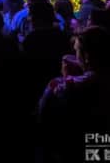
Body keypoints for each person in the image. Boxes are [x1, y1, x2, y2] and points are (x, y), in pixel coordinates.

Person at [39, 26, 110, 162]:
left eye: (76, 50)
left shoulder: (75, 86)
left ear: (87, 56)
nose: (75, 55)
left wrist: (65, 77)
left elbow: (46, 110)